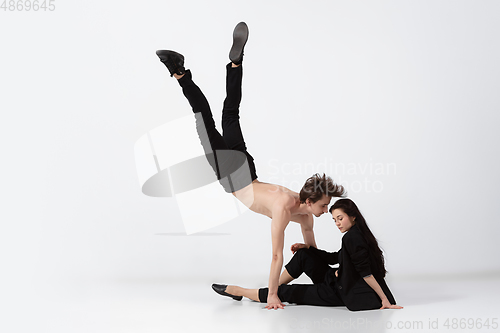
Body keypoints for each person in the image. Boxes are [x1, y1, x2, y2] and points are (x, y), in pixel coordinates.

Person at [155, 22, 345, 310]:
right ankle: (180, 73)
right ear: (309, 201)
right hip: (234, 176)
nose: (324, 212)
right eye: (323, 206)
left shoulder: (302, 212)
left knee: (230, 112)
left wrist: (314, 261)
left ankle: (235, 64)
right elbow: (276, 256)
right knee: (203, 117)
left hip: (248, 169)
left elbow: (312, 254)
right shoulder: (283, 207)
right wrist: (271, 294)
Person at [212, 198, 404, 311]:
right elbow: (336, 258)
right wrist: (309, 248)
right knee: (304, 256)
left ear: (353, 216)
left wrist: (384, 300)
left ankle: (240, 292)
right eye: (334, 219)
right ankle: (269, 290)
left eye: (341, 218)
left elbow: (366, 273)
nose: (337, 223)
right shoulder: (356, 235)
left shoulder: (352, 238)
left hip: (340, 292)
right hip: (336, 280)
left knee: (290, 292)